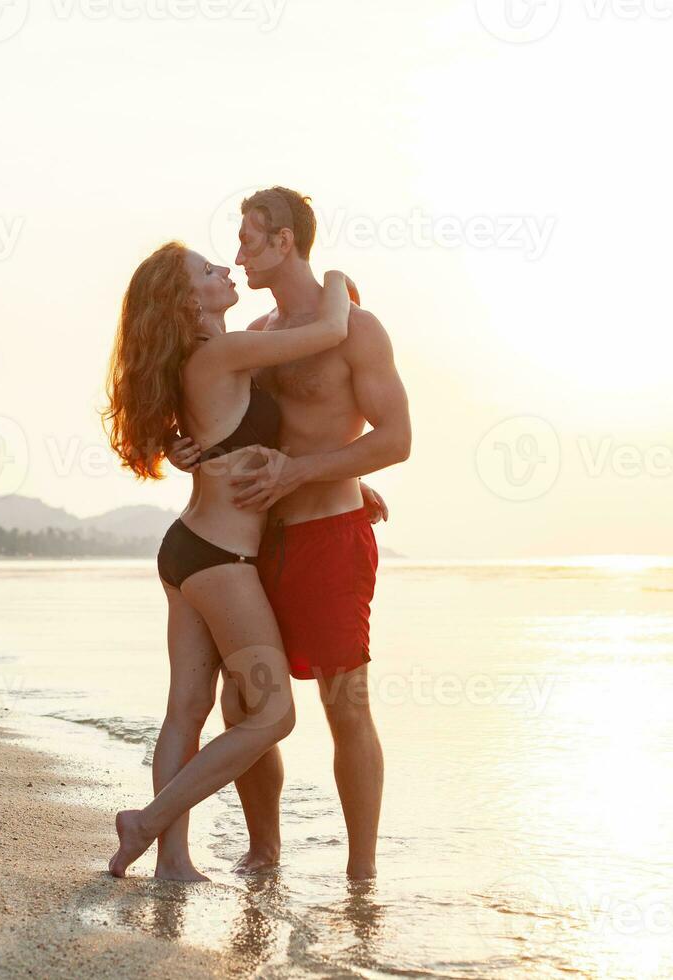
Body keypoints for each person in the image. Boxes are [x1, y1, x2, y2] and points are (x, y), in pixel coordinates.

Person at [169, 187, 411, 880]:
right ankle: (263, 851)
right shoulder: (265, 332)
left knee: (345, 706)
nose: (237, 252)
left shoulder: (357, 328)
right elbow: (232, 419)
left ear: (283, 242)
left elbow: (396, 439)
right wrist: (188, 446)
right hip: (258, 545)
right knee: (242, 699)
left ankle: (361, 877)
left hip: (330, 539)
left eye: (248, 238)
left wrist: (313, 473)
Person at [102, 241, 355, 880]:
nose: (224, 270)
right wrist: (336, 275)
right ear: (189, 300)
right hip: (221, 560)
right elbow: (330, 326)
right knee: (273, 715)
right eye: (207, 270)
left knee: (186, 709)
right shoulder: (224, 351)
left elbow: (249, 441)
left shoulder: (205, 359)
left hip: (188, 551)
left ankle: (173, 864)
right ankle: (149, 822)